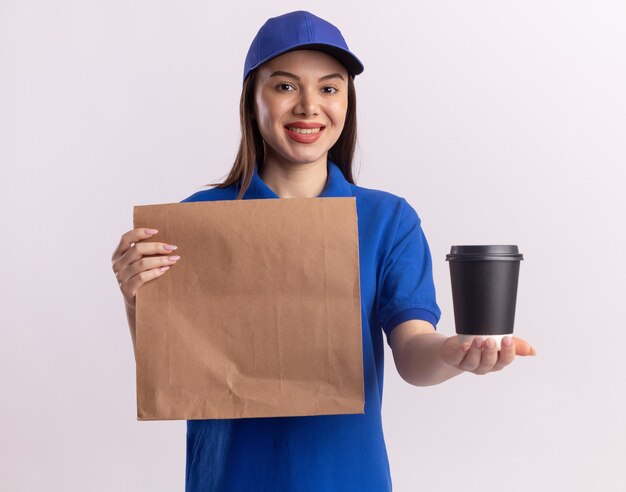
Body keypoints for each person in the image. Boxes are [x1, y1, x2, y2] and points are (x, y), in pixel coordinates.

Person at [111, 10, 535, 491]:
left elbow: (413, 350)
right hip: (229, 479)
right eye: (286, 86)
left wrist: (456, 352)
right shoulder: (198, 220)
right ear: (253, 100)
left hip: (347, 478)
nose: (309, 106)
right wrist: (135, 297)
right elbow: (177, 372)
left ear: (347, 102)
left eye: (329, 88)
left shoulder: (386, 220)